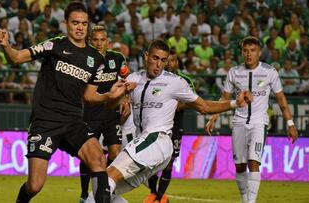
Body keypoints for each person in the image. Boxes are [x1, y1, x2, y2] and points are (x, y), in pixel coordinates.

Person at [0, 2, 133, 203]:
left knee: (98, 159)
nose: (80, 27)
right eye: (75, 22)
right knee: (35, 185)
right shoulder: (54, 45)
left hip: (74, 121)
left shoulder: (95, 58)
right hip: (45, 121)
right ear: (65, 23)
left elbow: (89, 96)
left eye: (84, 23)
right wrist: (6, 45)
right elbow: (16, 58)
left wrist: (110, 96)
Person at [87, 40, 252, 202]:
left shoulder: (175, 82)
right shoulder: (133, 78)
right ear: (146, 56)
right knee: (99, 189)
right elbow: (110, 105)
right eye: (155, 58)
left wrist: (235, 103)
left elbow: (204, 107)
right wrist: (119, 94)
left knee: (107, 178)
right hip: (144, 144)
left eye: (163, 60)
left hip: (157, 141)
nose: (159, 64)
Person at [205, 36, 298, 203]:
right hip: (238, 123)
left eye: (252, 51)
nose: (249, 54)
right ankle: (244, 199)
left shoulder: (270, 72)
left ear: (259, 52)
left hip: (258, 122)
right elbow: (224, 98)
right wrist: (213, 118)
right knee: (240, 166)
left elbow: (281, 99)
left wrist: (290, 123)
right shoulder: (234, 72)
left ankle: (251, 202)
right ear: (242, 52)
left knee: (253, 161)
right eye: (245, 51)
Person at [79, 25, 130, 203]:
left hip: (111, 114)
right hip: (91, 114)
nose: (99, 43)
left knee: (115, 154)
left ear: (107, 41)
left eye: (102, 40)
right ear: (90, 41)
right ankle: (84, 194)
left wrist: (126, 98)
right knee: (89, 157)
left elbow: (126, 80)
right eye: (95, 40)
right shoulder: (85, 59)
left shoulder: (117, 58)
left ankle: (105, 189)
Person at [144, 49, 196, 203]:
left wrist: (171, 104)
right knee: (151, 162)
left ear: (177, 63)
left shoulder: (184, 80)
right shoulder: (154, 78)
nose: (169, 64)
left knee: (169, 162)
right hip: (154, 125)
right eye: (167, 61)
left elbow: (191, 102)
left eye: (172, 60)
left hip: (175, 126)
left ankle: (159, 197)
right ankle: (154, 193)